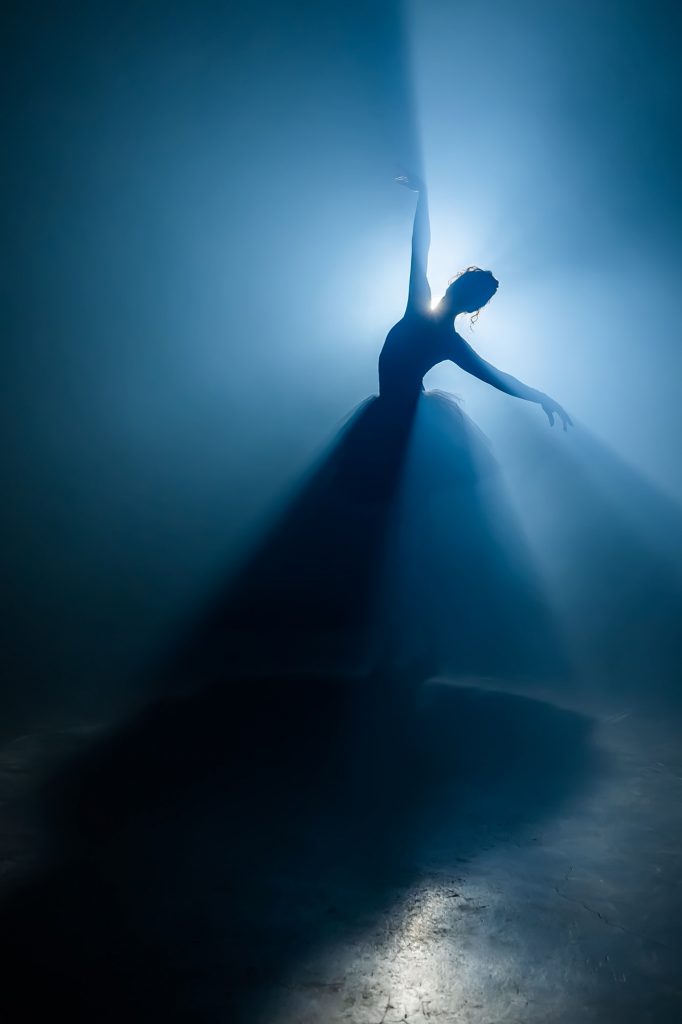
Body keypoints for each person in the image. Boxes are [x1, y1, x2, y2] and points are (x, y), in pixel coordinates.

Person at [379, 174, 572, 430]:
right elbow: (420, 247)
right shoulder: (433, 323)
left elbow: (497, 378)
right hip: (397, 415)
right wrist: (423, 196)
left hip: (402, 420)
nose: (458, 290)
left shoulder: (441, 333)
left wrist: (540, 397)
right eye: (463, 286)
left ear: (470, 306)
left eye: (466, 290)